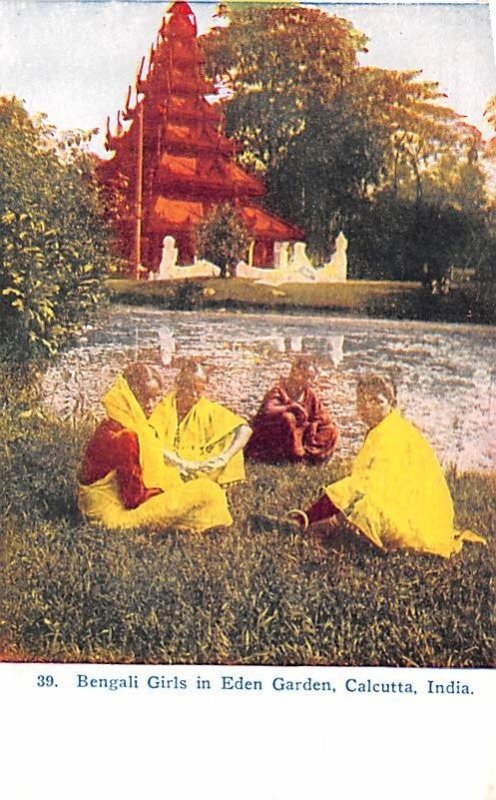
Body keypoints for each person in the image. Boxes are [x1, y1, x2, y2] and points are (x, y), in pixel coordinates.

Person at [288, 373, 485, 558]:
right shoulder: (383, 428)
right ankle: (305, 519)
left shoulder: (393, 434)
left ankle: (313, 525)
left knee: (364, 508)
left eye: (377, 401)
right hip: (402, 500)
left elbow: (378, 486)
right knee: (348, 488)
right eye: (362, 400)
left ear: (391, 404)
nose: (367, 407)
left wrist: (334, 521)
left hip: (418, 516)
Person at [78, 362, 232, 532]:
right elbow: (133, 499)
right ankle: (192, 524)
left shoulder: (114, 423)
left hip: (94, 507)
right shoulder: (126, 436)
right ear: (129, 397)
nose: (151, 405)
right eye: (145, 398)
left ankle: (187, 522)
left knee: (180, 484)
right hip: (112, 517)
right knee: (208, 491)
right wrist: (164, 493)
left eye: (155, 398)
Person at [149, 359, 252, 485]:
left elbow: (244, 429)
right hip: (171, 460)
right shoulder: (165, 407)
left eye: (199, 390)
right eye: (190, 388)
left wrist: (224, 458)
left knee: (231, 443)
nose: (194, 395)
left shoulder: (205, 406)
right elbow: (150, 442)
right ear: (180, 385)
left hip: (198, 460)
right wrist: (180, 463)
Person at [245, 356, 339, 463]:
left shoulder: (309, 394)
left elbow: (323, 416)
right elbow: (267, 410)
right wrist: (290, 407)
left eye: (310, 378)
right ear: (295, 373)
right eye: (305, 376)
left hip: (301, 433)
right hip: (279, 434)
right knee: (288, 418)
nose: (308, 381)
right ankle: (289, 456)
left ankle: (308, 456)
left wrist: (315, 424)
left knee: (331, 429)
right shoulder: (280, 389)